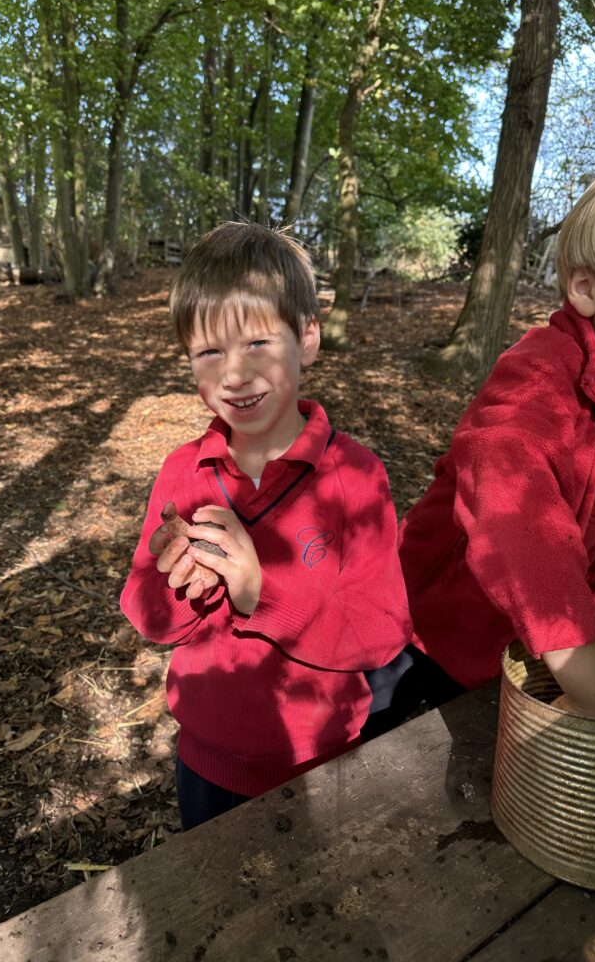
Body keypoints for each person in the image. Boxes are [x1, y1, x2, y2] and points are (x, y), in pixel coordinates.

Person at [120, 222, 411, 830]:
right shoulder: (183, 472)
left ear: (307, 337)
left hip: (324, 760)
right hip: (207, 764)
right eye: (208, 352)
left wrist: (261, 594)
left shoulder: (354, 477)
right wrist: (180, 587)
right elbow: (147, 611)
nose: (233, 374)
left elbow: (382, 632)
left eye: (257, 343)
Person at [397, 166, 595, 723]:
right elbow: (509, 497)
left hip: (542, 657)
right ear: (587, 289)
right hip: (437, 641)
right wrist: (590, 686)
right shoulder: (539, 373)